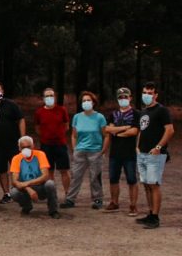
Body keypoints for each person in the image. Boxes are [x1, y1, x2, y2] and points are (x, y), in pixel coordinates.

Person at [136, 82, 174, 229]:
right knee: (146, 185)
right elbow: (142, 131)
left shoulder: (162, 111)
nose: (147, 95)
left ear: (156, 95)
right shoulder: (144, 111)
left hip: (155, 154)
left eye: (150, 93)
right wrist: (137, 147)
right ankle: (150, 213)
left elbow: (169, 130)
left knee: (154, 184)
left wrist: (158, 147)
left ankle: (155, 217)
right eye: (145, 92)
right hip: (143, 153)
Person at [61, 91, 107, 210]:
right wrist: (75, 148)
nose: (86, 102)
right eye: (84, 101)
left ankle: (97, 199)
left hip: (95, 151)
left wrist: (103, 150)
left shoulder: (99, 117)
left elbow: (106, 135)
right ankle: (70, 199)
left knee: (95, 176)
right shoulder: (77, 117)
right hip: (80, 151)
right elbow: (73, 135)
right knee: (76, 176)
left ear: (93, 102)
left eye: (88, 100)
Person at [103, 87, 139, 215]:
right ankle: (114, 202)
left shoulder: (136, 114)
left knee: (131, 179)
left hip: (129, 153)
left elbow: (134, 131)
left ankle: (133, 205)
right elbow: (108, 130)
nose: (123, 99)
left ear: (130, 98)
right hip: (115, 153)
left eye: (125, 97)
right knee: (113, 178)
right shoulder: (113, 114)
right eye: (120, 97)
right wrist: (125, 128)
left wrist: (117, 131)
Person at [9, 136, 61, 219]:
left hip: (40, 186)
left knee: (50, 184)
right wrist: (28, 189)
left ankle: (53, 210)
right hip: (25, 189)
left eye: (28, 146)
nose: (26, 149)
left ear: (33, 146)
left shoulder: (40, 154)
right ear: (19, 148)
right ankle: (27, 206)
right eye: (23, 147)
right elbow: (14, 181)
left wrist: (27, 183)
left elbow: (45, 175)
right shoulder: (16, 159)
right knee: (14, 192)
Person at [33, 88, 71, 195]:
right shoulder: (39, 112)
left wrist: (59, 134)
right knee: (49, 171)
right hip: (46, 146)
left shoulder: (62, 110)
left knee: (64, 170)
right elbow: (37, 128)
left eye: (51, 95)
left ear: (54, 97)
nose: (49, 98)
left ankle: (68, 194)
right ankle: (52, 193)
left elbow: (66, 126)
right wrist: (46, 136)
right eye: (47, 96)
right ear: (43, 98)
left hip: (60, 145)